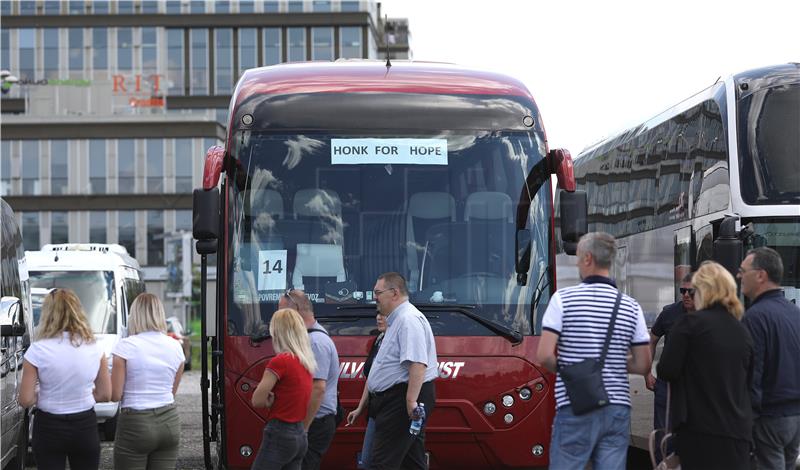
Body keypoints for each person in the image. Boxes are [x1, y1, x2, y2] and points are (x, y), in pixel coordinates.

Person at [536, 232, 651, 470]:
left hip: (575, 404)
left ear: (588, 258)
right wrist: (614, 362)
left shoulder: (563, 300)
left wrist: (572, 370)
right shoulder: (630, 306)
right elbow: (643, 365)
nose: (577, 263)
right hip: (617, 407)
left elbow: (545, 355)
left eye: (578, 257)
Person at [657, 261, 753, 470]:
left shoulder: (689, 324)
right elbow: (750, 380)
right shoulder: (742, 330)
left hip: (699, 429)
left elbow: (666, 370)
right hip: (738, 432)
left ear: (703, 291)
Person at [19, 288, 111, 470]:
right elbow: (105, 394)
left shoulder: (38, 350)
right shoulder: (95, 348)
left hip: (48, 426)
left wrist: (44, 394)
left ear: (47, 313)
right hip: (84, 425)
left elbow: (25, 399)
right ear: (78, 311)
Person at [366, 272, 438, 470]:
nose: (374, 297)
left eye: (378, 292)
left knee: (382, 462)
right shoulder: (398, 319)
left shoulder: (408, 319)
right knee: (411, 461)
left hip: (401, 399)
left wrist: (410, 402)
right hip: (400, 398)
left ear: (394, 293)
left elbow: (417, 364)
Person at [739, 247, 800, 470]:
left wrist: (749, 418)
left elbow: (753, 372)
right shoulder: (795, 314)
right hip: (795, 415)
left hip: (770, 417)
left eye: (743, 271)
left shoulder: (755, 317)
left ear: (761, 275)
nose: (739, 276)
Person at [111, 293, 186, 469]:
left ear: (134, 315)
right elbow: (171, 392)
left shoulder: (126, 346)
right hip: (169, 420)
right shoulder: (176, 346)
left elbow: (115, 394)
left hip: (135, 422)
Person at [278, 289, 340, 470]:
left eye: (281, 311)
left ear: (295, 310)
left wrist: (302, 429)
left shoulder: (315, 342)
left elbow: (317, 389)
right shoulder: (308, 339)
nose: (278, 316)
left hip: (315, 422)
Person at [251, 308, 316, 470]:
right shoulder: (306, 361)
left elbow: (257, 400)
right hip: (300, 434)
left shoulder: (280, 361)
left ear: (277, 332)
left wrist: (268, 400)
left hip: (280, 433)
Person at [647, 272, 696, 442]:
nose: (686, 295)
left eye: (692, 292)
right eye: (683, 291)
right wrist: (647, 372)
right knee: (664, 436)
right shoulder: (670, 313)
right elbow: (651, 340)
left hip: (696, 386)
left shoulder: (711, 315)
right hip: (667, 385)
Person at [346, 312, 388, 469]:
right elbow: (372, 378)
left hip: (390, 411)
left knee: (369, 462)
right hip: (375, 410)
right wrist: (360, 408)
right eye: (377, 314)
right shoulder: (379, 340)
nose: (378, 317)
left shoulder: (395, 341)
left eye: (384, 314)